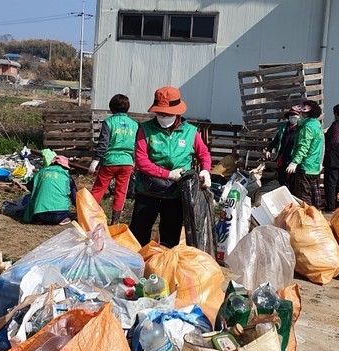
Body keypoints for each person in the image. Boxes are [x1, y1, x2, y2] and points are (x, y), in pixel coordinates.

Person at [130, 86, 212, 247]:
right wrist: (167, 174)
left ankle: (164, 269)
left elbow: (204, 154)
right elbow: (141, 161)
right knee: (138, 235)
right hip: (147, 191)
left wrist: (205, 170)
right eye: (160, 113)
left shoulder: (190, 132)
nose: (163, 116)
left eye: (167, 114)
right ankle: (136, 267)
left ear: (177, 112)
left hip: (176, 194)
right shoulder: (145, 130)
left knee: (170, 236)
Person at [88, 94, 138, 226]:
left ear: (111, 108)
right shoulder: (134, 125)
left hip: (110, 161)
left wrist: (95, 161)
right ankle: (115, 221)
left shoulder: (109, 122)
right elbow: (136, 145)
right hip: (127, 162)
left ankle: (89, 216)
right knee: (121, 191)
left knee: (99, 189)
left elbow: (103, 144)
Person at [285, 100, 324, 207]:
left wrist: (295, 162)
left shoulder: (307, 127)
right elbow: (321, 146)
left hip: (305, 167)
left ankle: (306, 219)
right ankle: (315, 216)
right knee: (314, 194)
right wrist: (320, 162)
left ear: (306, 113)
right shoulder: (317, 125)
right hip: (314, 167)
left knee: (303, 196)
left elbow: (303, 146)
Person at [23, 151, 77, 225]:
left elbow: (30, 187)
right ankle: (63, 219)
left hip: (40, 214)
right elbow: (74, 196)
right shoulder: (66, 176)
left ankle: (39, 219)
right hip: (60, 214)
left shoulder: (40, 173)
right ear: (64, 166)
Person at [265, 111, 300, 186]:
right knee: (281, 179)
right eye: (290, 116)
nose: (292, 117)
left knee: (292, 180)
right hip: (282, 157)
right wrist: (269, 149)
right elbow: (277, 139)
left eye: (294, 116)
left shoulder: (300, 129)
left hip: (292, 158)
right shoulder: (284, 127)